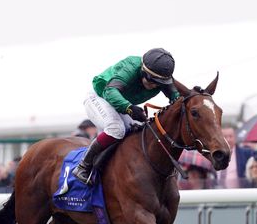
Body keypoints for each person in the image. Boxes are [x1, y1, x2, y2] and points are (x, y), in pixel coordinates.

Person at [73, 48, 179, 184]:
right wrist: (129, 108)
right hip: (100, 97)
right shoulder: (130, 67)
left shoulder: (163, 78)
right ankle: (83, 166)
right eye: (151, 80)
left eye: (158, 83)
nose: (153, 85)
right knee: (116, 129)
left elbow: (177, 99)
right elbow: (110, 91)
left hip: (122, 103)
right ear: (142, 70)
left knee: (143, 131)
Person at [217, 124, 255, 188]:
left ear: (235, 137)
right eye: (225, 137)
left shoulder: (246, 153)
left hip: (239, 194)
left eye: (230, 136)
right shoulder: (214, 154)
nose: (228, 140)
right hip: (216, 193)